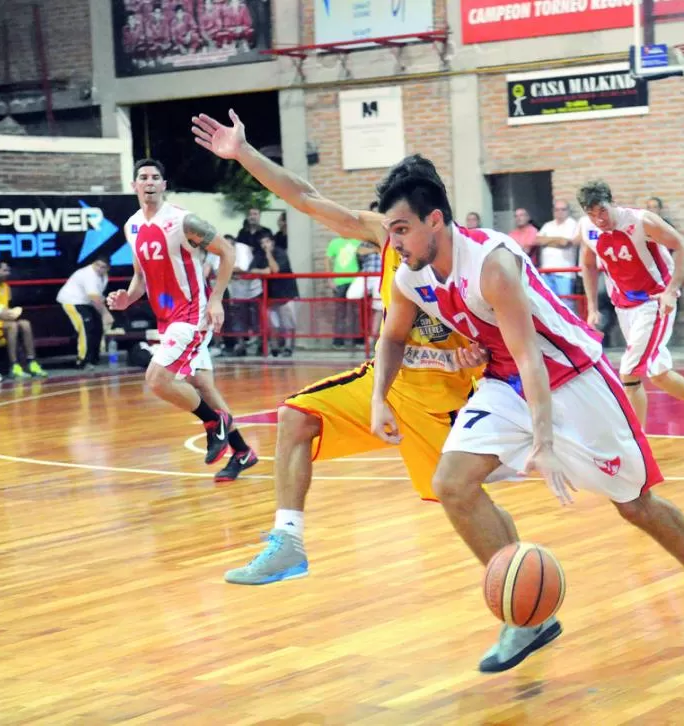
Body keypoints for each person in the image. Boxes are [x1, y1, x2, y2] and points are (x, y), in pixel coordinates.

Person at [367, 155, 684, 673]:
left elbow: (532, 357)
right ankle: (526, 614)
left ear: (435, 221)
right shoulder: (411, 276)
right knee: (452, 484)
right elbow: (393, 337)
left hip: (574, 377)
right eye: (390, 231)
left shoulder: (491, 262)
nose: (394, 243)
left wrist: (542, 443)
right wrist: (380, 396)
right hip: (505, 383)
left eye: (401, 229)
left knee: (634, 504)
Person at [191, 109, 492, 586]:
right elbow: (307, 198)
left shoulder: (473, 258)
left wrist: (477, 359)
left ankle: (519, 579)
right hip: (389, 383)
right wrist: (244, 153)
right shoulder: (384, 233)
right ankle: (287, 542)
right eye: (388, 219)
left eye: (401, 220)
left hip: (447, 402)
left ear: (432, 216)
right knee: (295, 416)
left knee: (466, 503)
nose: (392, 230)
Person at [106, 158, 258, 483]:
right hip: (167, 320)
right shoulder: (132, 226)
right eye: (143, 177)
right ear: (134, 185)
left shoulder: (182, 221)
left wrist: (216, 299)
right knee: (202, 385)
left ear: (164, 185)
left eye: (155, 177)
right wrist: (126, 298)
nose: (149, 182)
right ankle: (242, 451)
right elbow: (140, 279)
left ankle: (211, 421)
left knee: (158, 379)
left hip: (192, 316)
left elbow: (227, 252)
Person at [575, 180, 684, 444]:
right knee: (658, 372)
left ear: (612, 202)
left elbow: (683, 247)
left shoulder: (641, 221)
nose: (599, 219)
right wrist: (592, 307)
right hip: (624, 305)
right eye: (592, 214)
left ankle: (635, 444)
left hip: (654, 303)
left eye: (602, 211)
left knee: (629, 371)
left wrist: (671, 291)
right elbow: (587, 264)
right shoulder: (587, 228)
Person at [57, 257, 113, 369]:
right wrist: (106, 314)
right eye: (97, 265)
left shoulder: (104, 277)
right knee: (85, 327)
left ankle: (94, 358)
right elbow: (93, 297)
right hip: (72, 301)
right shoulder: (89, 274)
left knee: (98, 327)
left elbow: (98, 296)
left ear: (107, 268)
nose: (99, 268)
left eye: (102, 267)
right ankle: (82, 360)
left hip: (86, 303)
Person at [0, 261, 48, 379]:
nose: (8, 273)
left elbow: (6, 308)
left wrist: (10, 313)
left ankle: (32, 362)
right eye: (5, 270)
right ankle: (14, 366)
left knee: (25, 324)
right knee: (12, 326)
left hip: (3, 321)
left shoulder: (5, 287)